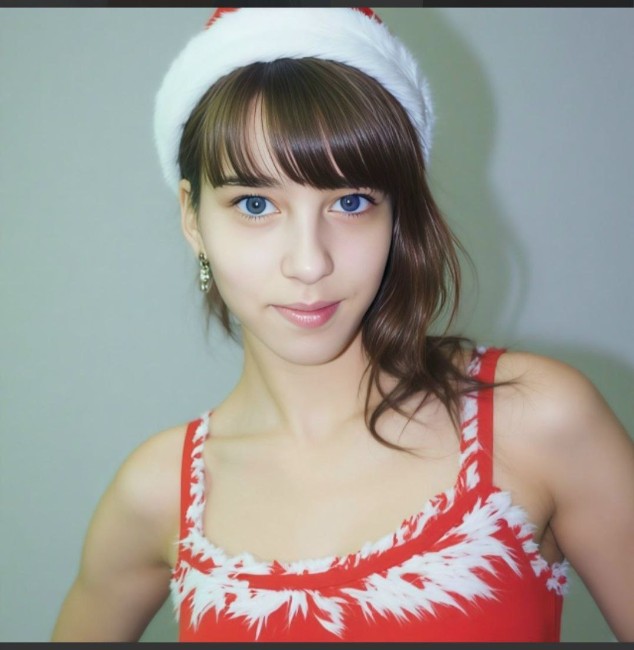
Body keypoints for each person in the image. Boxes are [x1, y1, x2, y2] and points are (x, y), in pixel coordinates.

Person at [50, 7, 634, 643]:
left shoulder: (537, 421)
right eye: (255, 204)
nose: (309, 263)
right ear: (193, 219)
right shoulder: (158, 491)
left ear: (398, 214)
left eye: (351, 202)